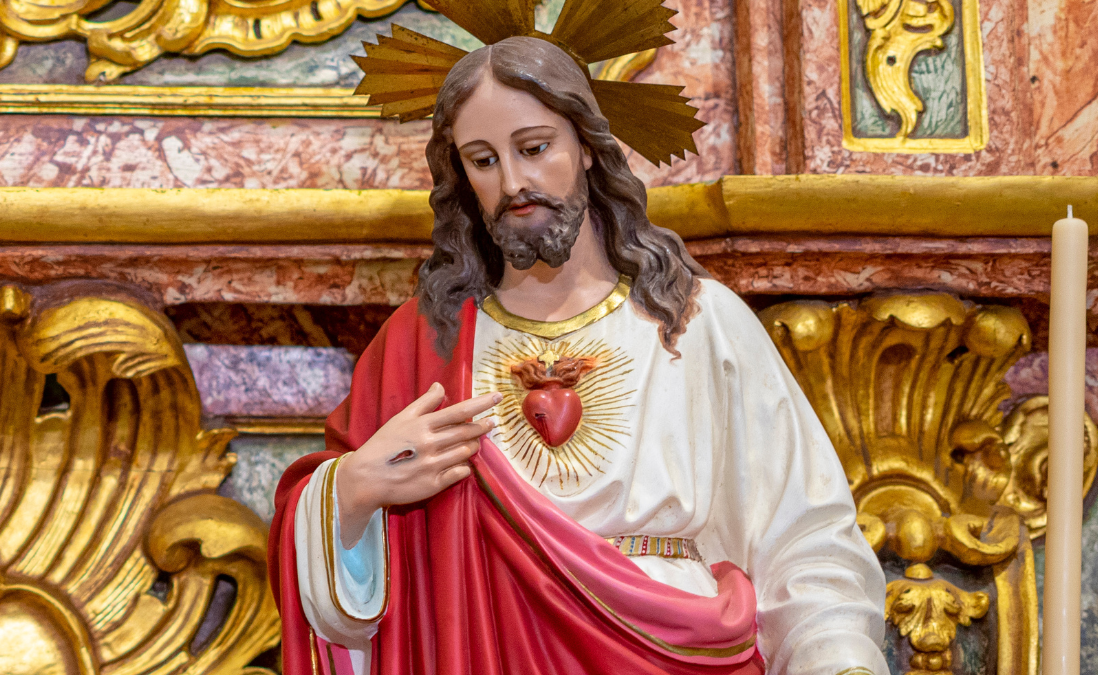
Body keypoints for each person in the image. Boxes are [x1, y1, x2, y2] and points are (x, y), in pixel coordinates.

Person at [268, 8, 888, 675]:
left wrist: (837, 657)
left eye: (534, 148)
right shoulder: (421, 347)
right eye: (483, 160)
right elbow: (342, 603)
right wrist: (352, 491)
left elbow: (804, 537)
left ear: (588, 145)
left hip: (674, 650)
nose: (512, 184)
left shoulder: (698, 324)